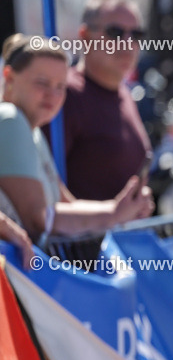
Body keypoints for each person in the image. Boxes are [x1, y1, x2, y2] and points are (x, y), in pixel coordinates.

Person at [0, 34, 153, 245]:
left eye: (61, 87)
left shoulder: (31, 130)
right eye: (42, 83)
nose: (52, 95)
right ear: (9, 77)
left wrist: (122, 210)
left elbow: (67, 205)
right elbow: (39, 219)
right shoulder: (9, 118)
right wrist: (113, 214)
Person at [41, 0, 152, 201]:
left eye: (136, 34)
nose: (128, 43)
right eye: (115, 32)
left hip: (124, 231)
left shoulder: (124, 94)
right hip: (86, 233)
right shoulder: (66, 94)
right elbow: (43, 193)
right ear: (85, 35)